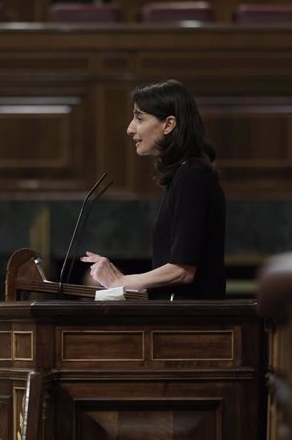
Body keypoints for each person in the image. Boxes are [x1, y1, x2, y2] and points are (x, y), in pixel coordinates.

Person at [81, 80, 226, 300]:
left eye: (139, 118)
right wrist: (121, 280)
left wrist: (122, 281)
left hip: (195, 325)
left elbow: (182, 271)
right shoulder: (184, 174)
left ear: (168, 125)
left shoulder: (192, 175)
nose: (130, 129)